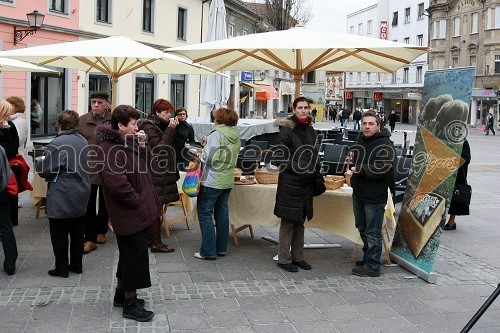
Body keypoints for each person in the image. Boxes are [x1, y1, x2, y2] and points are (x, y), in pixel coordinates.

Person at [97, 105, 160, 322]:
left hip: (133, 210)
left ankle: (120, 296)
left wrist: (142, 144)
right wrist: (137, 201)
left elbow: (147, 165)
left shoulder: (123, 142)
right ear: (120, 125)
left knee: (129, 255)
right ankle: (130, 304)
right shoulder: (109, 148)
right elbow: (117, 183)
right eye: (133, 124)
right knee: (136, 255)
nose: (136, 127)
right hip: (128, 211)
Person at [36, 110, 91, 278]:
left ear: (59, 124)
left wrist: (42, 164)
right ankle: (77, 265)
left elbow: (46, 170)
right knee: (77, 230)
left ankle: (61, 268)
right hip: (82, 190)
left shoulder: (58, 143)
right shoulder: (83, 140)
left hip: (63, 191)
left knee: (59, 232)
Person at [274, 97, 319, 273]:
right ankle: (284, 259)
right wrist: (300, 168)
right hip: (291, 181)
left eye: (306, 107)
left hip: (306, 182)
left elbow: (313, 153)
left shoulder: (310, 129)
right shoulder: (286, 130)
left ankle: (298, 257)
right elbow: (279, 157)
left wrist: (315, 166)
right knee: (288, 222)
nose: (303, 110)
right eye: (300, 107)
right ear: (294, 109)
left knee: (300, 221)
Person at [350, 111, 394, 277]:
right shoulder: (361, 140)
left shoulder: (385, 144)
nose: (367, 127)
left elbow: (385, 169)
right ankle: (369, 257)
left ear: (378, 126)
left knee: (373, 232)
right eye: (364, 124)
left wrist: (360, 169)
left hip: (375, 195)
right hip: (359, 193)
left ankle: (373, 266)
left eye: (371, 124)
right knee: (361, 227)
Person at [195, 108, 240, 260]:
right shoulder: (235, 134)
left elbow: (210, 158)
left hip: (212, 179)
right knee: (222, 214)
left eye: (215, 117)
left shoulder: (216, 134)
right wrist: (206, 145)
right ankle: (221, 248)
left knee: (205, 213)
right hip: (227, 180)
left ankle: (208, 251)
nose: (213, 119)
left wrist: (200, 153)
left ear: (220, 119)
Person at [138, 98, 178, 253]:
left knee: (156, 206)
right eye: (166, 112)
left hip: (160, 171)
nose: (169, 115)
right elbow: (160, 149)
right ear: (157, 112)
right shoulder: (149, 126)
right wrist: (171, 129)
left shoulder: (159, 125)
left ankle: (151, 239)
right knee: (156, 207)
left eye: (170, 112)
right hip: (154, 172)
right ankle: (155, 242)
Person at [79, 91, 111, 254]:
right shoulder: (82, 120)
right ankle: (89, 237)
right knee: (89, 202)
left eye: (99, 102)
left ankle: (101, 231)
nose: (96, 105)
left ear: (107, 104)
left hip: (109, 167)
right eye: (93, 102)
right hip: (88, 167)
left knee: (106, 201)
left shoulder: (114, 120)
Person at [0, 101, 18, 275]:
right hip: (2, 187)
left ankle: (10, 262)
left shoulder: (10, 126)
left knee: (5, 225)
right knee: (5, 225)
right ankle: (10, 262)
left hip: (2, 187)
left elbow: (14, 147)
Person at [0, 100, 20, 227]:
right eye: (7, 113)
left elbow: (14, 148)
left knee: (11, 193)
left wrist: (7, 129)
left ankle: (11, 221)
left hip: (10, 166)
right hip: (3, 166)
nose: (10, 116)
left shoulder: (10, 126)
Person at [444, 139, 471, 230]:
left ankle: (451, 221)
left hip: (457, 174)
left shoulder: (462, 141)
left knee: (455, 197)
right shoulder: (442, 137)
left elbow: (466, 158)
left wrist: (453, 161)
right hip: (443, 171)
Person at [172, 107, 195, 171]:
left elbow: (192, 141)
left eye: (184, 114)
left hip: (184, 154)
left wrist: (189, 145)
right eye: (180, 114)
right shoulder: (172, 125)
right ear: (176, 116)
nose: (182, 116)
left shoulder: (189, 127)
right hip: (173, 153)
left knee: (182, 172)